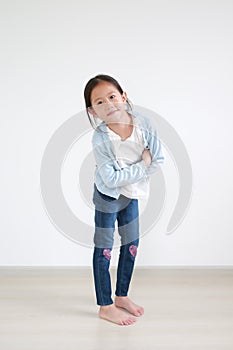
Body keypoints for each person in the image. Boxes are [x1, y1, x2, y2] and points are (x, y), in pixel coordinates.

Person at [84, 74, 164, 326]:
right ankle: (105, 306)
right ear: (93, 111)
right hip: (107, 197)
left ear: (123, 97)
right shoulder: (101, 137)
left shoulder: (144, 124)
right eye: (99, 102)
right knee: (104, 249)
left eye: (112, 96)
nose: (108, 104)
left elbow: (158, 160)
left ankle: (121, 296)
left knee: (131, 245)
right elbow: (108, 179)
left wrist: (129, 174)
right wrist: (143, 164)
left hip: (133, 196)